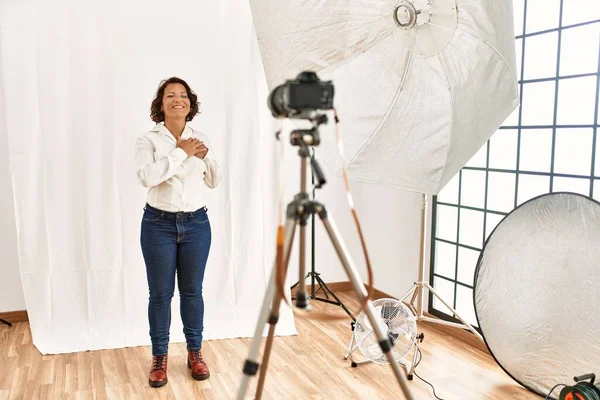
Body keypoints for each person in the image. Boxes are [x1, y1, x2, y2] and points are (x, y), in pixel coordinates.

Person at [134, 77, 221, 388]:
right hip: (158, 225)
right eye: (170, 95)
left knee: (192, 292)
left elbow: (214, 181)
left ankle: (195, 353)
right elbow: (147, 177)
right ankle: (159, 358)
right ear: (161, 104)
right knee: (160, 295)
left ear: (190, 104)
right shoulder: (149, 140)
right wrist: (181, 153)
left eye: (183, 95)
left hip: (197, 225)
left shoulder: (200, 138)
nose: (177, 100)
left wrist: (205, 155)